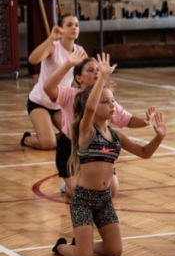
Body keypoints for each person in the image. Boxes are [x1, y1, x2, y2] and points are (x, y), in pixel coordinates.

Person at [52, 56, 167, 256]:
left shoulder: (116, 136)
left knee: (114, 251)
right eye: (105, 102)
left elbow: (144, 152)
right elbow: (88, 109)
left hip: (105, 200)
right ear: (94, 106)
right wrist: (102, 78)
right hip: (83, 201)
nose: (112, 105)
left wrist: (158, 137)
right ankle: (62, 247)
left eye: (113, 101)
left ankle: (82, 243)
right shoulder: (86, 130)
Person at [43, 48, 151, 197]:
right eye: (90, 70)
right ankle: (68, 185)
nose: (96, 72)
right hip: (70, 148)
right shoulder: (70, 94)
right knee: (79, 193)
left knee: (112, 191)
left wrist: (146, 121)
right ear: (79, 78)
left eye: (98, 70)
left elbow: (127, 119)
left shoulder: (106, 98)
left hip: (97, 147)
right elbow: (48, 87)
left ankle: (83, 181)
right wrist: (68, 64)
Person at [23, 14, 86, 150]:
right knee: (48, 144)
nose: (74, 28)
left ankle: (53, 135)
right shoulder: (53, 48)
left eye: (76, 25)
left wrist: (101, 79)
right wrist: (51, 38)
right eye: (69, 25)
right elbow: (32, 60)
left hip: (59, 105)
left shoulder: (80, 51)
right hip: (39, 102)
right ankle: (27, 139)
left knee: (77, 137)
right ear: (61, 29)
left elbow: (88, 73)